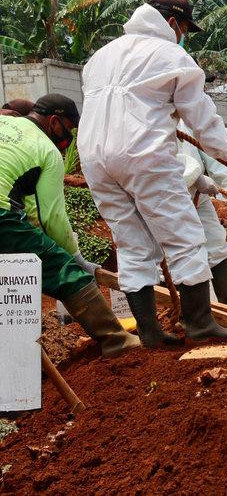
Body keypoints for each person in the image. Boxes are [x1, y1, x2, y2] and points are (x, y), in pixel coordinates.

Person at [78, 0, 227, 347]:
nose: (183, 36)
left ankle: (150, 333)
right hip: (142, 155)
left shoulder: (99, 57)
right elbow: (202, 121)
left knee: (130, 242)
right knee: (185, 236)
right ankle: (200, 323)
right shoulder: (172, 55)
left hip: (94, 158)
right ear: (173, 23)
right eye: (185, 29)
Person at [0, 94, 140, 355]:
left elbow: (31, 209)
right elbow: (52, 218)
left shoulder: (4, 124)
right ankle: (116, 340)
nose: (68, 138)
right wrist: (75, 258)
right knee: (64, 271)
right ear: (54, 122)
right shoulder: (47, 150)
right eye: (69, 129)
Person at [177, 121, 227, 308]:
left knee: (216, 242)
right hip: (167, 199)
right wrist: (190, 176)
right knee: (181, 254)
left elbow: (211, 154)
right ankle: (189, 316)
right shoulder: (147, 112)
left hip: (197, 196)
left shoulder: (186, 119)